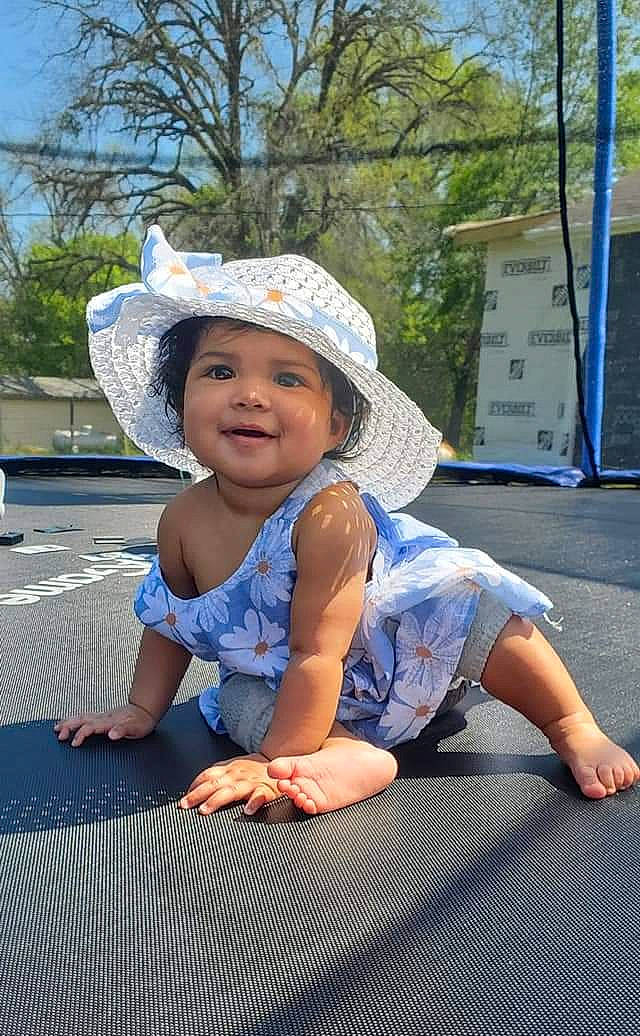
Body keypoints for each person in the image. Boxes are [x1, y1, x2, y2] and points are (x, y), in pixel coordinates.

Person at [55, 226, 639, 816]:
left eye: (287, 379)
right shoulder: (182, 517)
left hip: (408, 652)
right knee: (238, 700)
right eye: (219, 372)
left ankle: (572, 724)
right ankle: (344, 754)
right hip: (300, 690)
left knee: (479, 613)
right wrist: (141, 710)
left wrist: (267, 761)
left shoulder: (330, 512)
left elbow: (320, 651)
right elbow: (169, 621)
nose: (250, 395)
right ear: (179, 403)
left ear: (336, 426)